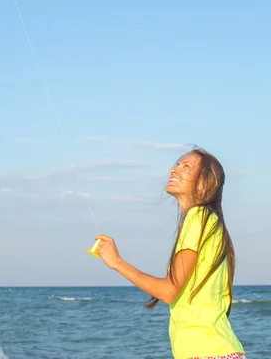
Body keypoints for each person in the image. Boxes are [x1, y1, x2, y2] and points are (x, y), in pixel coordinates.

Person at [95, 148, 247, 359]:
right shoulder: (208, 221)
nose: (174, 170)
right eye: (177, 164)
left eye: (186, 167)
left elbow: (168, 291)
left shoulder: (199, 217)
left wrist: (117, 262)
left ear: (204, 184)